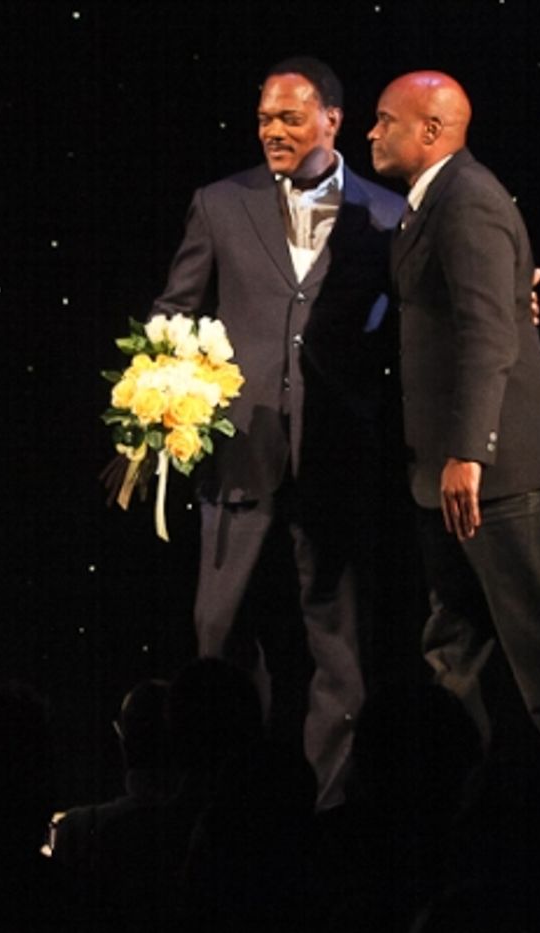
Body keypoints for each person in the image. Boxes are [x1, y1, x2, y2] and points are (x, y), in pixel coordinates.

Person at [150, 57, 403, 811]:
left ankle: (332, 810)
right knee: (219, 637)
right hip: (239, 453)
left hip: (338, 457)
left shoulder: (389, 215)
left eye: (290, 118)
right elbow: (176, 311)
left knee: (340, 648)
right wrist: (165, 393)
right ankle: (218, 799)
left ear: (332, 120)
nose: (272, 131)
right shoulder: (221, 204)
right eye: (264, 118)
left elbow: (418, 323)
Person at [367, 71, 540, 759]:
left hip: (498, 469)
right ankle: (447, 816)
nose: (372, 131)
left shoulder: (467, 199)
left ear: (430, 129)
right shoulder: (429, 204)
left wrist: (470, 450)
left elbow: (489, 334)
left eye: (385, 119)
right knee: (454, 646)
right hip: (451, 472)